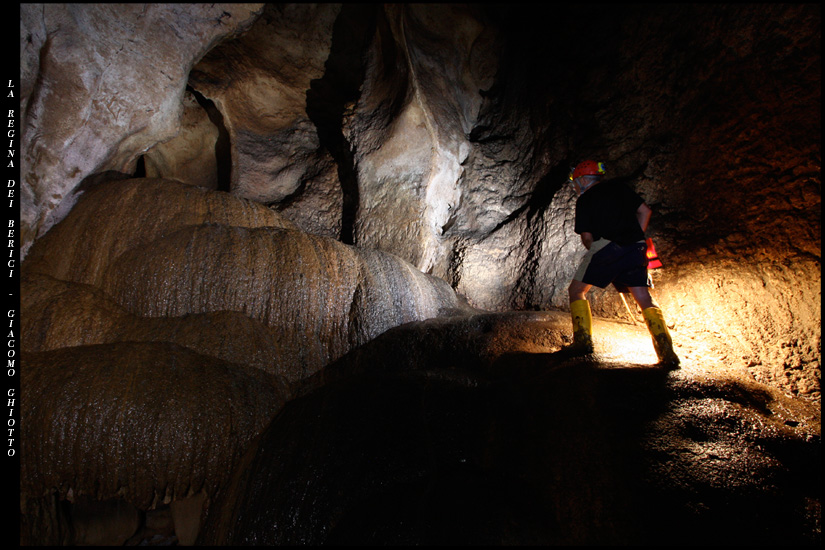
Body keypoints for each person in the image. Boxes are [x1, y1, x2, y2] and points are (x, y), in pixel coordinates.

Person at [566, 160, 680, 368]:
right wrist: (635, 238)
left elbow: (587, 237)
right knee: (644, 298)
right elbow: (645, 211)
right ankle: (667, 353)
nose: (575, 185)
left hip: (607, 247)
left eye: (576, 181)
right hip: (636, 247)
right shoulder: (620, 187)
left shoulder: (585, 200)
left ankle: (582, 342)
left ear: (583, 180)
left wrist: (601, 253)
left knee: (576, 291)